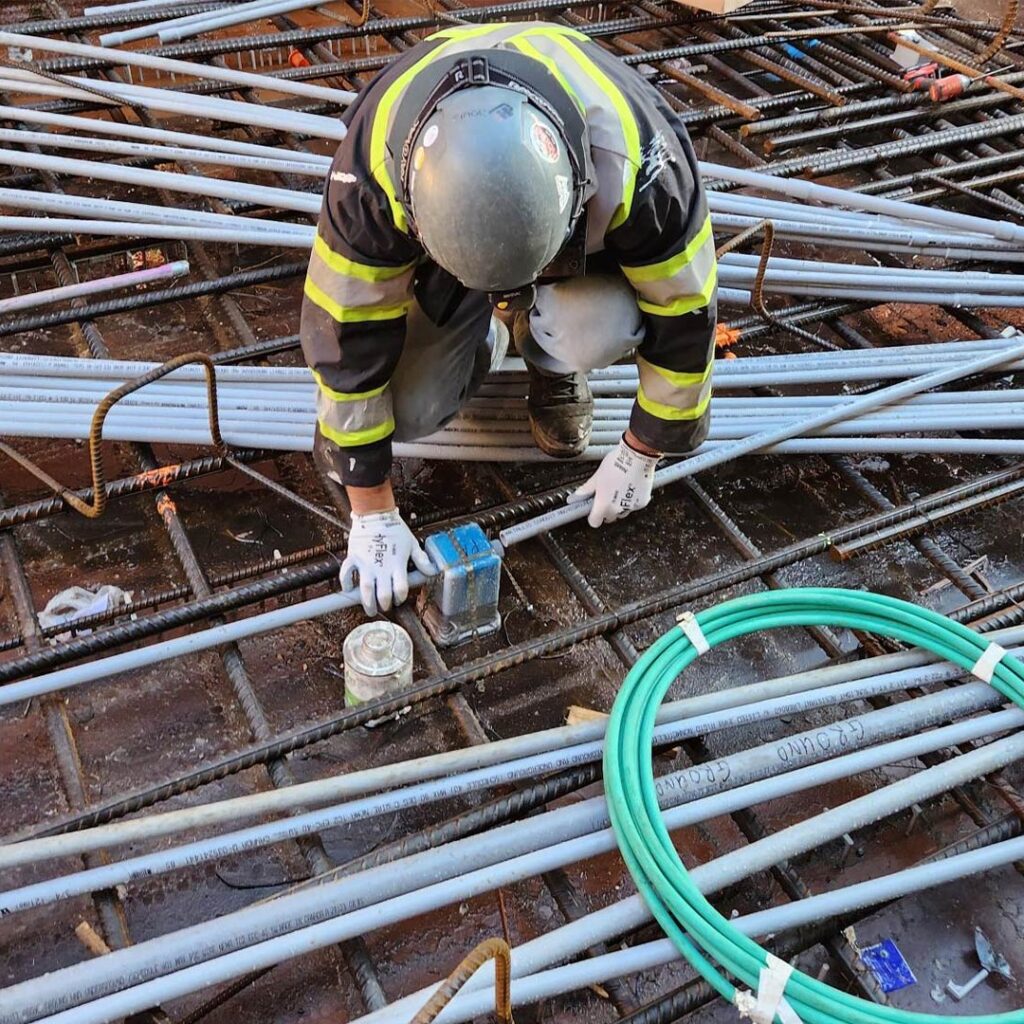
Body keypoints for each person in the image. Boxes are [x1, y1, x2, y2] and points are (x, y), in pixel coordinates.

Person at [301, 22, 717, 616]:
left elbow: (686, 312)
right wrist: (371, 510)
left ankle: (549, 355)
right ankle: (486, 336)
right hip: (452, 248)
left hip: (579, 254)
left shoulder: (642, 164)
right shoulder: (372, 174)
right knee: (411, 408)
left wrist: (644, 448)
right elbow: (343, 339)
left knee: (590, 324)